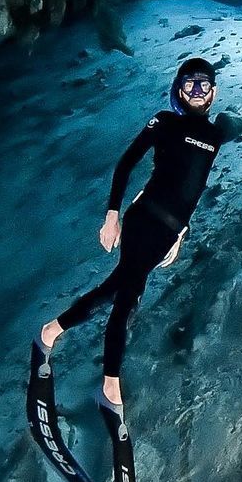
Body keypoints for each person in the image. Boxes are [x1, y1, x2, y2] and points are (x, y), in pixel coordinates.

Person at [39, 57, 225, 411]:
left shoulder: (216, 135)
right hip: (144, 219)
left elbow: (193, 189)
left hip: (168, 233)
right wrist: (111, 216)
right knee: (128, 297)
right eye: (189, 84)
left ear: (213, 92)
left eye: (203, 84)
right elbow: (126, 163)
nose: (196, 91)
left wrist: (181, 233)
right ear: (178, 90)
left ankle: (51, 331)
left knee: (115, 289)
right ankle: (109, 385)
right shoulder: (166, 121)